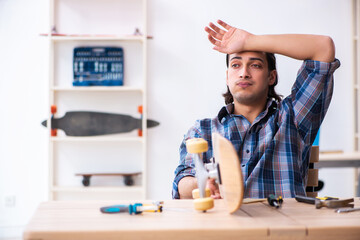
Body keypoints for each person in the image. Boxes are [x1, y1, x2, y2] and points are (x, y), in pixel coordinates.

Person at [172, 20, 340, 199]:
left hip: (282, 224)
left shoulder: (293, 117)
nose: (244, 73)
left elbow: (323, 47)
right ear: (227, 77)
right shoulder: (202, 131)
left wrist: (248, 41)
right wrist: (202, 183)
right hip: (224, 225)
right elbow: (183, 182)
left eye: (255, 65)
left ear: (271, 77)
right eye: (236, 65)